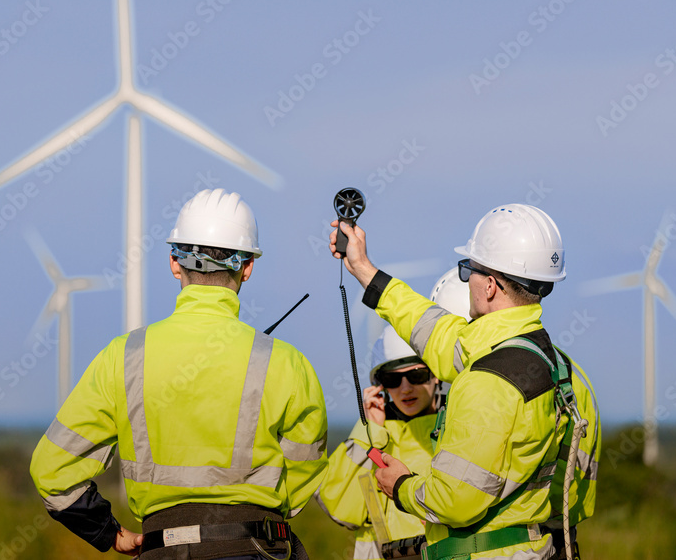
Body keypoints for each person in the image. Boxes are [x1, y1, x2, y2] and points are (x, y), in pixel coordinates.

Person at [30, 188, 328, 558]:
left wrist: (108, 532)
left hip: (161, 549)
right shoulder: (286, 363)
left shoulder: (123, 358)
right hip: (255, 546)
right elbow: (306, 473)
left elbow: (51, 468)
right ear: (247, 267)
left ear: (174, 262)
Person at [330, 204, 599, 560]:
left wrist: (401, 486)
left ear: (489, 285)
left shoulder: (486, 380)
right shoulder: (565, 370)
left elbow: (454, 501)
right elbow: (432, 328)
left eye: (467, 269)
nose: (465, 279)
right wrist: (364, 270)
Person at [315, 272, 468, 560]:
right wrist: (370, 431)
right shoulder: (375, 439)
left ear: (436, 375)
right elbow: (340, 507)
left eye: (416, 375)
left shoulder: (456, 429)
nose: (406, 388)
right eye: (392, 380)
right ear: (380, 386)